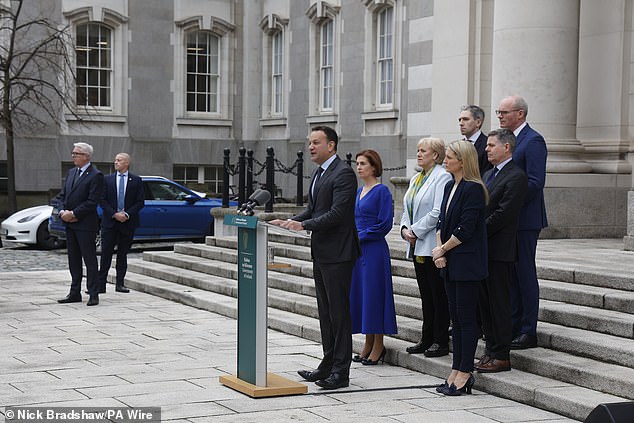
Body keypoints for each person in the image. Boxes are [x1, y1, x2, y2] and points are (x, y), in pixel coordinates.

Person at [271, 125, 360, 390]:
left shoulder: (343, 174)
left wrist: (305, 226)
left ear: (331, 145)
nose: (310, 147)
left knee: (339, 314)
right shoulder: (320, 173)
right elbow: (313, 208)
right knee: (325, 313)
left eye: (316, 142)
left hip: (339, 254)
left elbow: (338, 214)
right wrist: (290, 220)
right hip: (321, 253)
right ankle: (327, 364)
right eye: (309, 142)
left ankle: (341, 372)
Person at [432, 140, 488, 396]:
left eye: (450, 156)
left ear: (463, 161)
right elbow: (441, 221)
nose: (445, 159)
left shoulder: (474, 189)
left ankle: (465, 372)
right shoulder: (448, 186)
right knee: (455, 318)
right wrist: (439, 251)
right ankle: (455, 368)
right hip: (449, 261)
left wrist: (443, 249)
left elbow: (465, 229)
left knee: (466, 320)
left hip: (467, 262)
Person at [496, 95, 548, 350]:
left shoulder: (534, 140)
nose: (500, 116)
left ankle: (529, 329)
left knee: (524, 273)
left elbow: (536, 182)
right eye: (498, 113)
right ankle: (514, 324)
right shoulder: (507, 141)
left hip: (525, 219)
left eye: (504, 112)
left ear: (520, 113)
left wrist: (508, 198)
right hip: (508, 219)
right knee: (510, 274)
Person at [475, 129, 527, 373]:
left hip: (500, 250)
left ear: (507, 147)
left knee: (499, 304)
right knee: (485, 305)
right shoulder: (487, 174)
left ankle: (502, 355)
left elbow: (504, 214)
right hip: (484, 250)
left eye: (492, 145)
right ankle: (490, 350)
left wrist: (476, 231)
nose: (487, 149)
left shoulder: (516, 176)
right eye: (487, 146)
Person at [400, 138, 452, 357]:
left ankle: (440, 341)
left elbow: (438, 212)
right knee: (425, 295)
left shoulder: (442, 177)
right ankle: (426, 337)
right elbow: (407, 208)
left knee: (437, 295)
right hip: (416, 245)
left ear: (436, 155)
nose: (419, 154)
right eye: (418, 150)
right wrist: (404, 229)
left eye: (424, 151)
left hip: (431, 244)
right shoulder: (416, 178)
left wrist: (416, 231)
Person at [350, 149, 397, 366]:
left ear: (374, 167)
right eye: (357, 163)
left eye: (363, 164)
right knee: (364, 295)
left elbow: (384, 223)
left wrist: (361, 236)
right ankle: (368, 342)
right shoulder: (359, 190)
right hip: (358, 250)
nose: (358, 167)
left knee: (375, 295)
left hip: (374, 249)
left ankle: (379, 345)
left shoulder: (382, 191)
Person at [57, 142, 104, 306]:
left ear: (86, 156)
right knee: (73, 259)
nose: (73, 156)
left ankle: (93, 293)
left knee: (89, 259)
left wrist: (75, 213)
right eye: (73, 153)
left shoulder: (95, 175)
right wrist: (63, 212)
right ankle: (74, 292)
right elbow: (62, 196)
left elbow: (92, 201)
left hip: (85, 225)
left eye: (76, 153)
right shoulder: (71, 173)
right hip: (70, 225)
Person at [97, 153, 145, 294]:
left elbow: (140, 202)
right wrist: (114, 214)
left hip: (127, 223)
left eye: (119, 160)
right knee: (106, 254)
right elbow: (102, 200)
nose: (116, 162)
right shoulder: (107, 180)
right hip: (110, 222)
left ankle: (120, 284)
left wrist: (127, 214)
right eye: (115, 160)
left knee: (122, 254)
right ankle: (101, 285)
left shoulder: (136, 180)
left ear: (127, 163)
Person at [459, 104, 492, 176]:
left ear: (478, 122)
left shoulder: (488, 144)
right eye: (460, 120)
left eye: (465, 119)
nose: (461, 123)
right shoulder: (458, 145)